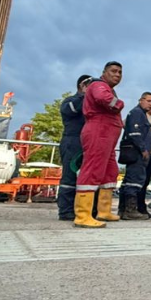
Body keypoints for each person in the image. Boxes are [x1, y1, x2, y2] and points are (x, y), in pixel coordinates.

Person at [74, 62, 125, 228]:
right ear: (104, 72)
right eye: (114, 71)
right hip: (99, 131)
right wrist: (119, 104)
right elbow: (105, 99)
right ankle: (82, 215)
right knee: (92, 169)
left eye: (120, 72)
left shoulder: (105, 87)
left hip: (108, 136)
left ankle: (104, 211)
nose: (117, 74)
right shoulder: (98, 85)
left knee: (110, 172)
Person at [56, 74, 93, 221]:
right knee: (69, 176)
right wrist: (84, 96)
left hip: (87, 143)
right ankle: (65, 211)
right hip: (72, 141)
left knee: (85, 178)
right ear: (82, 86)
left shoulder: (91, 104)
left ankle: (82, 208)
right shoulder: (71, 101)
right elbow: (69, 110)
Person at [118, 92, 151, 220]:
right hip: (136, 153)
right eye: (149, 101)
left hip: (136, 152)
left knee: (131, 180)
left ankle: (124, 209)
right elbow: (135, 133)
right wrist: (143, 149)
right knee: (134, 181)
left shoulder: (141, 114)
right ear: (141, 100)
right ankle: (130, 210)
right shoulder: (137, 113)